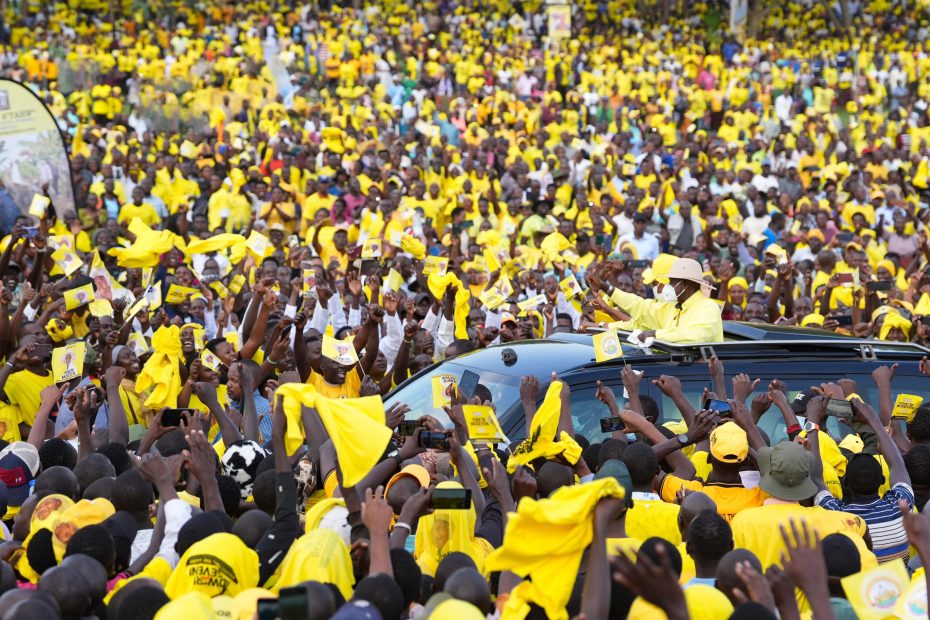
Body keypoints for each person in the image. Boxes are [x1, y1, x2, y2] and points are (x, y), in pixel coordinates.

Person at [588, 257, 724, 343]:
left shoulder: (708, 307)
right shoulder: (672, 307)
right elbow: (639, 306)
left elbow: (699, 335)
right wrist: (605, 286)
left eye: (671, 282)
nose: (668, 285)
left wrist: (656, 334)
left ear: (685, 284)